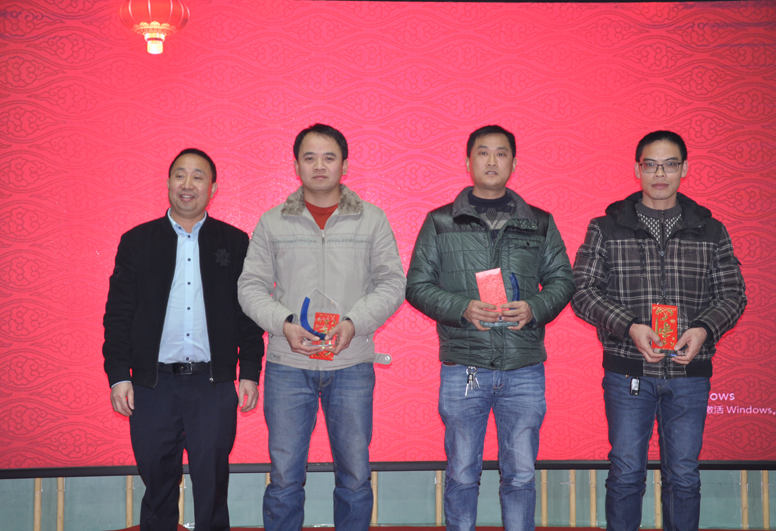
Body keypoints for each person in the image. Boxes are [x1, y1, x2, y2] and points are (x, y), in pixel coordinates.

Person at [571, 131, 746, 531]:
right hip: (628, 372)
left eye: (669, 165)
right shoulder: (606, 227)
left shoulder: (710, 229)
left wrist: (703, 329)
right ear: (638, 170)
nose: (660, 173)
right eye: (650, 164)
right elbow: (583, 292)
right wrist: (630, 326)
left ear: (684, 169)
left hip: (689, 373)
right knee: (626, 473)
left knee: (683, 476)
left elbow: (733, 294)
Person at [405, 125, 575, 531]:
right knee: (462, 473)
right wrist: (463, 308)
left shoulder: (539, 222)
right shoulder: (440, 221)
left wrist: (534, 308)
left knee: (521, 475)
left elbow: (563, 280)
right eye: (483, 152)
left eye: (501, 153)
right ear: (468, 162)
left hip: (524, 366)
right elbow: (416, 286)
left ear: (513, 163)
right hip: (464, 366)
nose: (492, 161)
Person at [237, 124, 405, 531]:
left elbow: (392, 283)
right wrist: (285, 324)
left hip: (351, 364)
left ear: (344, 166)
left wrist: (353, 323)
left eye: (329, 157)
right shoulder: (273, 222)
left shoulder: (372, 220)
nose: (319, 165)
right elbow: (250, 287)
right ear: (296, 165)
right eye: (309, 157)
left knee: (355, 475)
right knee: (284, 477)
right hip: (288, 365)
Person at [102, 148, 264, 531]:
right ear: (168, 182)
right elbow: (118, 314)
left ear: (213, 188)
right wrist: (118, 375)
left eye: (198, 176)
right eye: (180, 175)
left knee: (212, 484)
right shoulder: (137, 241)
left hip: (212, 383)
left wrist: (249, 372)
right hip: (152, 385)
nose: (187, 184)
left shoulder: (234, 242)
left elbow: (248, 313)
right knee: (157, 484)